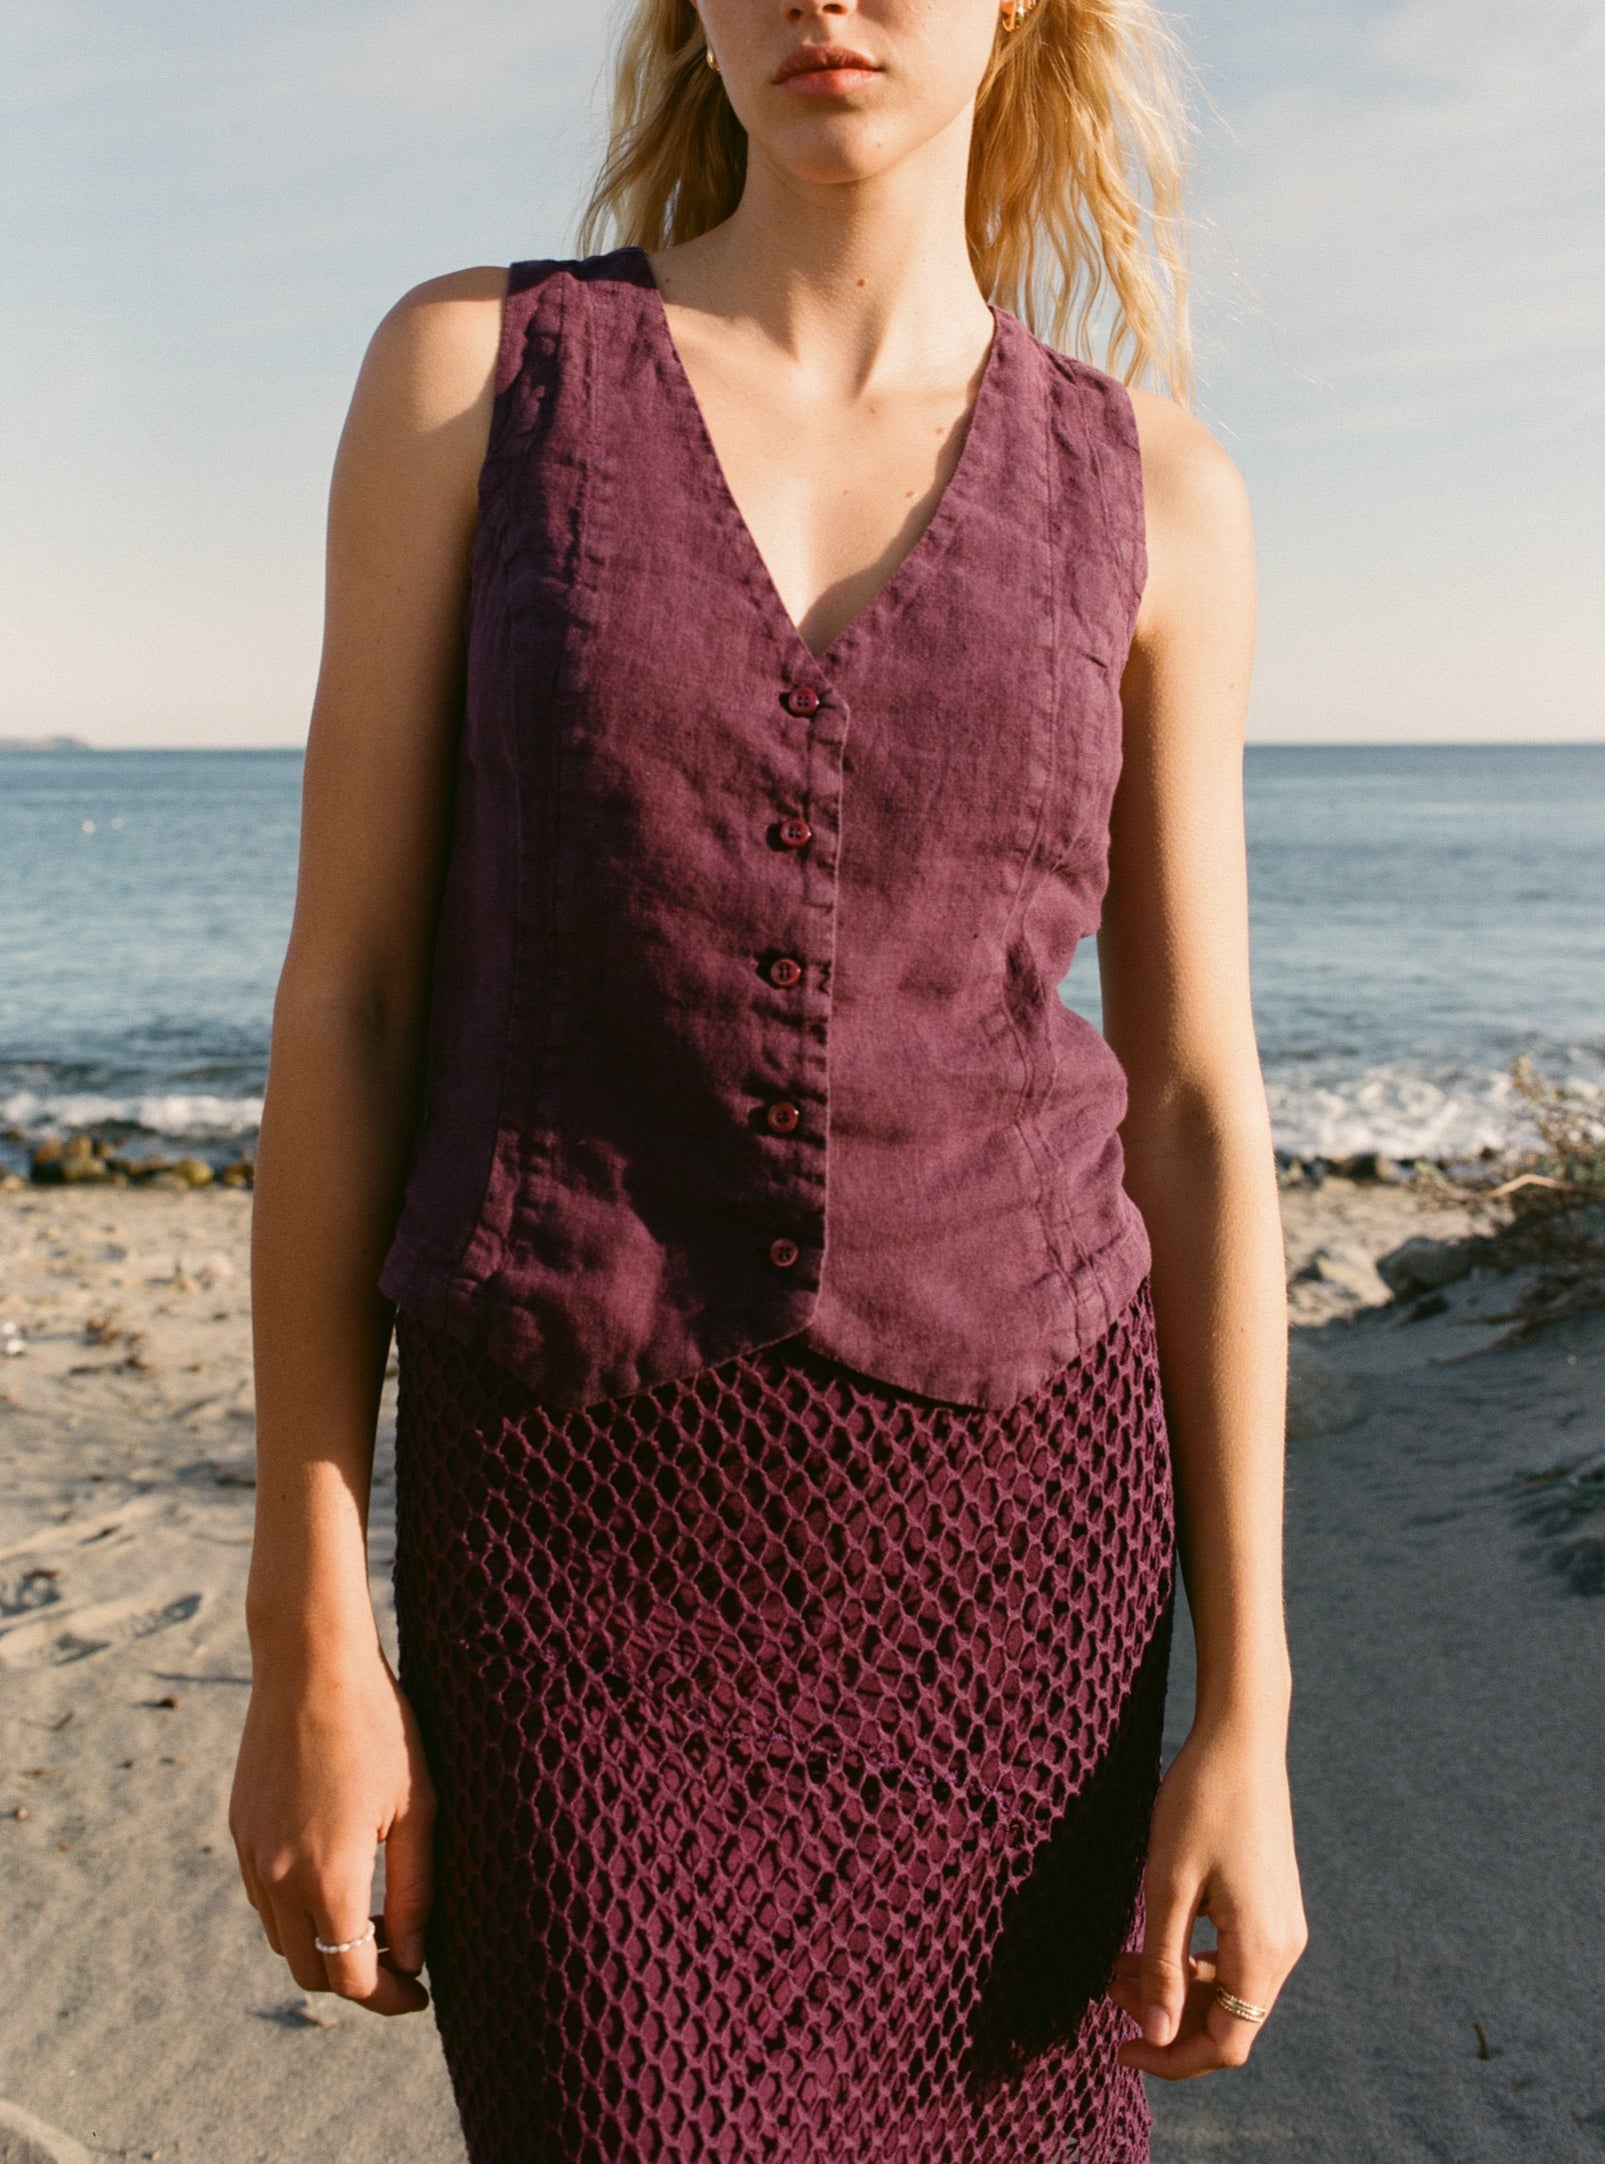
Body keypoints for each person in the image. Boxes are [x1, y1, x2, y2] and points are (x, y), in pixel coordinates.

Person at [229, 1, 1307, 2157]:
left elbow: (1190, 1104)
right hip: (570, 1528)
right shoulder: (474, 379)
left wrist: (1249, 1712)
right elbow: (347, 999)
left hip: (1016, 1556)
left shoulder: (1154, 490)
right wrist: (308, 1627)